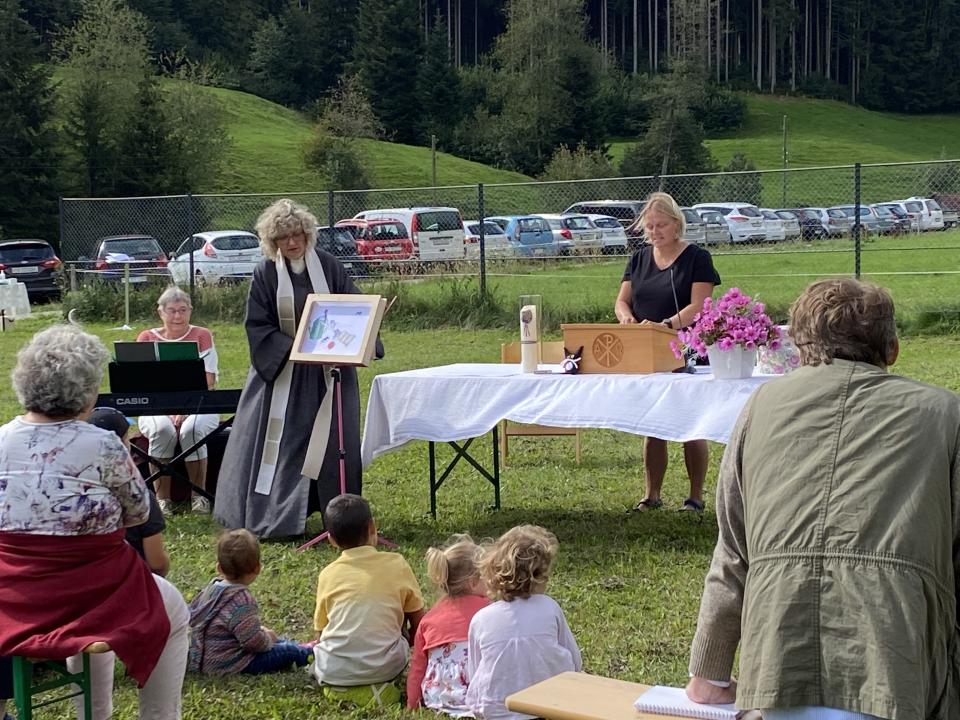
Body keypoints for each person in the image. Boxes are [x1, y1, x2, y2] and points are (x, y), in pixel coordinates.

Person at [685, 278, 960, 720]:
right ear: (892, 349)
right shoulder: (945, 413)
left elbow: (733, 551)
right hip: (896, 669)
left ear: (800, 348)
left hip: (776, 667)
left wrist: (708, 674)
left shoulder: (761, 405)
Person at [0, 324, 189, 720]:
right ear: (86, 391)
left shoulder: (1, 438)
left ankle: (94, 713)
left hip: (13, 599)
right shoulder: (102, 443)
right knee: (171, 610)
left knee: (103, 605)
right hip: (88, 592)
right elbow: (139, 513)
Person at [215, 199, 383, 539]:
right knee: (285, 445)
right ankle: (279, 515)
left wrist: (364, 338)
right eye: (283, 237)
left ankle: (342, 518)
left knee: (335, 444)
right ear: (272, 241)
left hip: (330, 373)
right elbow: (258, 325)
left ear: (308, 234)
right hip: (284, 374)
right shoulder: (265, 274)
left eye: (297, 234)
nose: (292, 242)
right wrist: (297, 346)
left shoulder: (329, 266)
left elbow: (355, 307)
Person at [614, 191, 721, 513]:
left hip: (687, 349)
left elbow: (700, 305)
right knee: (653, 423)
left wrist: (666, 325)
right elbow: (621, 301)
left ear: (677, 224)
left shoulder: (697, 257)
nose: (654, 231)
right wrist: (627, 318)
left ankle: (695, 497)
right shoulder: (638, 259)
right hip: (646, 350)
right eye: (649, 226)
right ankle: (652, 495)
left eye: (661, 225)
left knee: (691, 423)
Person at [311, 494, 424, 707]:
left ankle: (338, 687)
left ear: (331, 539)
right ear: (373, 526)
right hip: (386, 666)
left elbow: (320, 633)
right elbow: (419, 623)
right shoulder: (397, 564)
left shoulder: (328, 574)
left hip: (332, 670)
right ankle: (378, 685)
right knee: (398, 626)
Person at [466, 525, 582, 720]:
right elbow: (575, 662)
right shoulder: (549, 607)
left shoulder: (481, 619)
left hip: (498, 711)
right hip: (552, 707)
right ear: (541, 575)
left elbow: (475, 671)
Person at [136, 285, 220, 516]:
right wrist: (168, 410)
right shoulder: (146, 338)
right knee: (162, 430)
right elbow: (139, 380)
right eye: (172, 311)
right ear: (160, 312)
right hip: (156, 405)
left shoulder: (202, 335)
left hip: (199, 402)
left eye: (183, 310)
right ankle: (163, 500)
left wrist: (184, 410)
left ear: (190, 311)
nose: (177, 316)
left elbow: (208, 379)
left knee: (192, 430)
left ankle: (199, 497)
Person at [188, 529, 312, 675]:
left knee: (276, 640)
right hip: (229, 663)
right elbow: (253, 643)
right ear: (257, 568)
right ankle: (312, 653)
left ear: (219, 567)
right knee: (287, 651)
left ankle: (299, 646)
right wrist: (267, 638)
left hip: (203, 658)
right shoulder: (241, 600)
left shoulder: (211, 590)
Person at [407, 534, 490, 715]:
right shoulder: (489, 611)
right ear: (473, 582)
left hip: (437, 696)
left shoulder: (429, 619)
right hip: (480, 694)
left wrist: (412, 704)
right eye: (487, 576)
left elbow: (418, 667)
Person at [88, 406, 170, 576]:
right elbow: (157, 564)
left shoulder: (72, 492)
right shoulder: (140, 496)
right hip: (132, 580)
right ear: (122, 444)